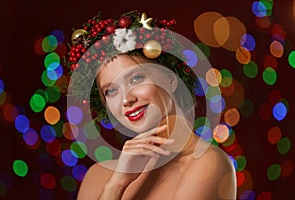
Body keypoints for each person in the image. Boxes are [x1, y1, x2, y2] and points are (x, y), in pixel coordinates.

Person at [66, 10, 236, 199]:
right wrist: (115, 185)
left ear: (170, 79)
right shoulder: (98, 176)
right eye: (111, 91)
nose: (126, 99)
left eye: (136, 78)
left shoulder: (208, 164)